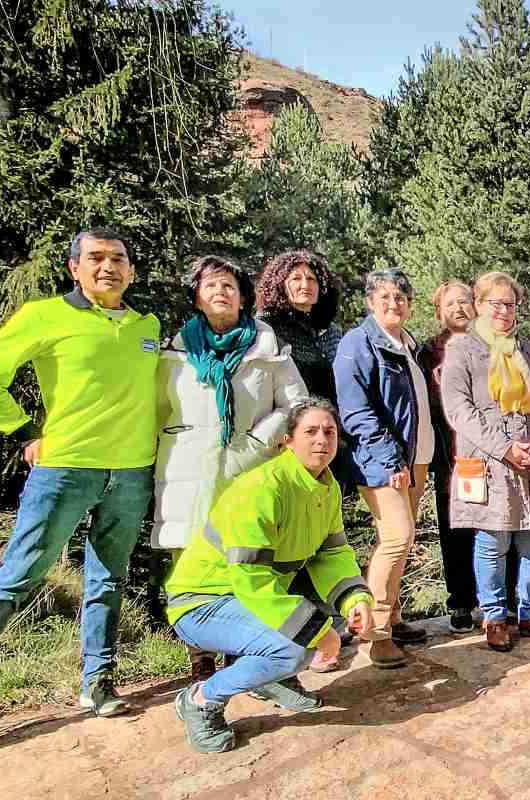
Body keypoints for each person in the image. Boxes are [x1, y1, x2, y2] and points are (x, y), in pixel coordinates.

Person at [0, 229, 160, 750]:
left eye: (119, 260)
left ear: (132, 271)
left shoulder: (147, 324)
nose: (109, 268)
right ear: (74, 268)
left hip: (131, 472)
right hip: (65, 470)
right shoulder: (44, 315)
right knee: (17, 577)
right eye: (96, 259)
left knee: (108, 580)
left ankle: (97, 682)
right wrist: (23, 432)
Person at [167, 398, 375, 752]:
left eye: (329, 432)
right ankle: (202, 700)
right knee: (294, 647)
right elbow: (251, 578)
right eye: (310, 432)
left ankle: (271, 680)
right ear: (288, 441)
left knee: (334, 616)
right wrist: (316, 633)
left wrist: (356, 599)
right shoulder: (263, 488)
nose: (322, 440)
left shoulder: (327, 486)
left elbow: (332, 554)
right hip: (203, 603)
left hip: (252, 596)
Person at [152, 255, 308, 680]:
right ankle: (200, 656)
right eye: (210, 286)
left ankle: (251, 656)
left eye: (229, 286)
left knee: (251, 561)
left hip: (250, 471)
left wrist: (258, 442)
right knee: (190, 565)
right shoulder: (176, 348)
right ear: (197, 297)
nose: (220, 292)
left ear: (243, 297)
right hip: (188, 472)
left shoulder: (265, 344)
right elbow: (157, 411)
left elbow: (296, 404)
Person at [442, 271, 530, 652]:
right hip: (491, 462)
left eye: (510, 304)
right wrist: (505, 447)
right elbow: (458, 409)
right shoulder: (462, 350)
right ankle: (494, 615)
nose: (503, 311)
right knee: (492, 543)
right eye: (495, 303)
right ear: (479, 305)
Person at [334, 268, 433, 669]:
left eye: (402, 297)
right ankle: (375, 635)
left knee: (401, 541)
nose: (395, 303)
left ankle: (392, 615)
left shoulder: (407, 343)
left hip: (417, 457)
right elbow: (356, 411)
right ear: (370, 302)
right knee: (397, 536)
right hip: (383, 461)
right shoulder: (359, 343)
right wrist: (391, 458)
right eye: (386, 297)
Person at [417, 281, 480, 633]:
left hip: (490, 453)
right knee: (456, 528)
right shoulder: (429, 353)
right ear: (439, 311)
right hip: (452, 456)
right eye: (451, 303)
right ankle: (461, 602)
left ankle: (496, 598)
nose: (459, 308)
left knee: (492, 528)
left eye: (465, 301)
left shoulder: (489, 344)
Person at [255, 249, 344, 404]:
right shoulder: (266, 326)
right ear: (280, 284)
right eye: (296, 278)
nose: (305, 285)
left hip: (332, 418)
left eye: (312, 279)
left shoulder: (331, 331)